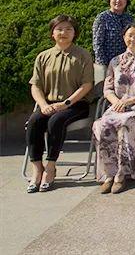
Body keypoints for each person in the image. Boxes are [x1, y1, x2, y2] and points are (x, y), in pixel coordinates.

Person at [25, 15, 94, 193]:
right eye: (59, 29)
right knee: (34, 122)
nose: (64, 32)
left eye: (69, 29)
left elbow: (87, 85)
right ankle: (37, 167)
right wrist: (42, 104)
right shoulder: (43, 56)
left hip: (75, 104)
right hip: (48, 104)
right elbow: (36, 85)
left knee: (56, 121)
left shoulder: (83, 55)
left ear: (75, 33)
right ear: (52, 33)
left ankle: (50, 166)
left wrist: (66, 103)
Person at [92, 23, 135, 194]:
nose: (133, 38)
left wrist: (128, 102)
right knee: (102, 125)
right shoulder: (115, 61)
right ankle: (109, 174)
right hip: (118, 106)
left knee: (126, 124)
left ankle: (121, 175)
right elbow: (107, 89)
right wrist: (116, 102)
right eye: (129, 35)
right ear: (124, 38)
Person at [93, 0, 135, 67]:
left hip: (127, 64)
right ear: (109, 0)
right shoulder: (102, 18)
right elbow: (97, 44)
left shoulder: (129, 19)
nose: (118, 1)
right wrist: (103, 65)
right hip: (107, 64)